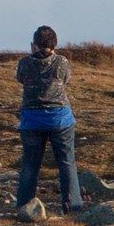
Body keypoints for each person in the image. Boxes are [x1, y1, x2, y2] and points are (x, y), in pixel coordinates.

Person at [15, 25, 82, 215]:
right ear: (54, 44)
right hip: (59, 118)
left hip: (32, 119)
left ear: (34, 44)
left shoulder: (25, 63)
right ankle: (72, 207)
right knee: (67, 162)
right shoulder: (61, 61)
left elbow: (20, 79)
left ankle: (24, 207)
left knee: (30, 163)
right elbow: (66, 79)